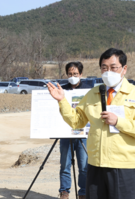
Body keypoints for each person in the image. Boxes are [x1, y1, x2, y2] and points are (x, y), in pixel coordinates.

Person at [47, 48, 135, 199]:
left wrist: (118, 122)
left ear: (124, 69)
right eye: (104, 68)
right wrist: (62, 101)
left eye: (113, 67)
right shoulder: (93, 93)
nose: (108, 71)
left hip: (124, 166)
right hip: (96, 166)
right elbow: (77, 122)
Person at [59, 62, 90, 199]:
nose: (73, 76)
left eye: (75, 74)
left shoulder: (88, 90)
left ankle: (83, 192)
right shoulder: (61, 90)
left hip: (83, 134)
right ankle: (64, 191)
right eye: (70, 74)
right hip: (65, 133)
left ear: (81, 74)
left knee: (84, 166)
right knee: (65, 165)